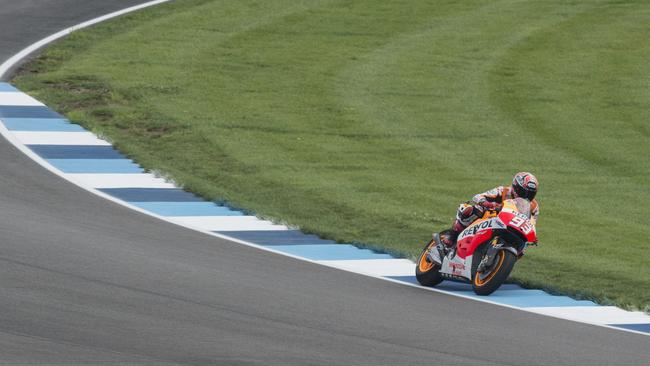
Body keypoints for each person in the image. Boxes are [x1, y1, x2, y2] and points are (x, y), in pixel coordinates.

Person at [429, 172, 539, 264]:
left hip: (512, 226)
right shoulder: (503, 191)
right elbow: (477, 197)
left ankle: (498, 263)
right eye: (523, 192)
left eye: (530, 194)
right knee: (470, 210)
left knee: (523, 246)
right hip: (491, 217)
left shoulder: (534, 207)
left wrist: (532, 234)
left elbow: (531, 223)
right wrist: (489, 204)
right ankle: (449, 239)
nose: (526, 196)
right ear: (515, 187)